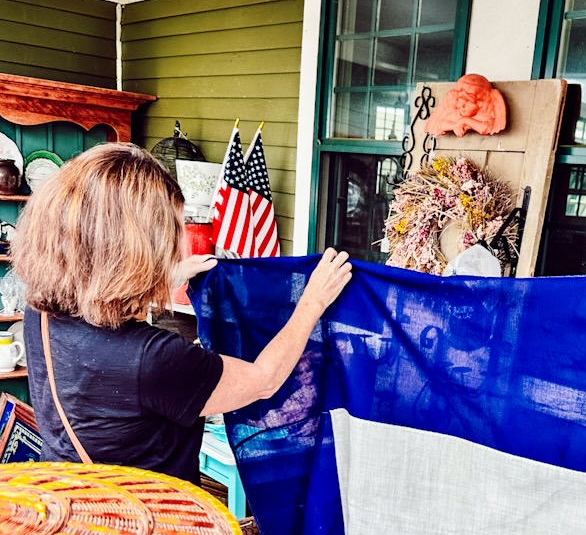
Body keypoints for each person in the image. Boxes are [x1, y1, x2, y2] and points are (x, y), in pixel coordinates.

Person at [12, 143, 351, 484]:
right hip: (148, 523)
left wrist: (173, 272)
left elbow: (96, 289)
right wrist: (313, 302)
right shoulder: (153, 359)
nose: (180, 245)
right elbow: (264, 380)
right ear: (135, 252)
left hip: (72, 500)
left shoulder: (39, 311)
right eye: (172, 235)